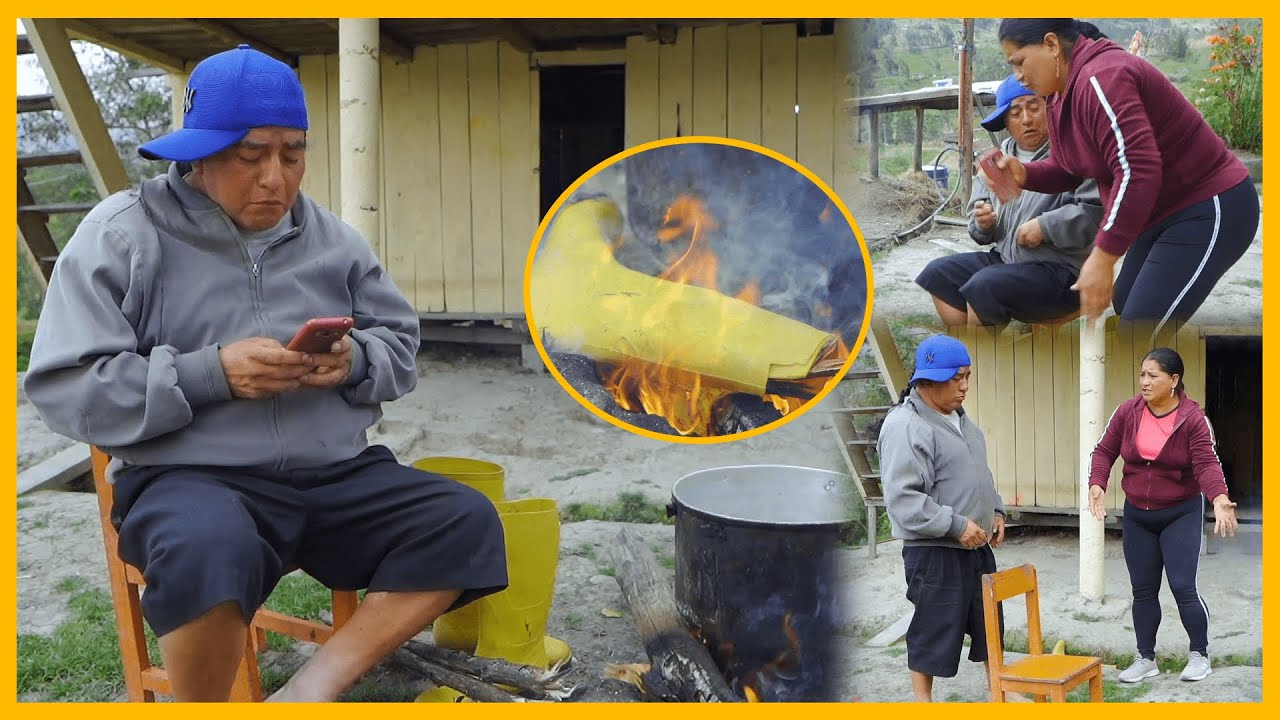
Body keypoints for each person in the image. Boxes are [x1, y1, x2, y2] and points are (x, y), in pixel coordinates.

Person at [22, 45, 507, 702]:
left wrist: (352, 361)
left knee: (465, 520)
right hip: (189, 479)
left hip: (331, 475)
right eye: (250, 157)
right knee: (206, 546)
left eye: (293, 153)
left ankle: (306, 695)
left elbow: (398, 348)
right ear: (198, 154)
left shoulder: (334, 240)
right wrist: (210, 374)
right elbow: (65, 385)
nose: (275, 178)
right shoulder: (123, 235)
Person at [992, 19, 1259, 333]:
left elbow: (1137, 170)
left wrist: (1103, 258)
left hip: (1208, 205)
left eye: (1019, 62)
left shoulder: (1102, 78)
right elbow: (1072, 167)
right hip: (1160, 215)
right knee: (1126, 308)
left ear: (1052, 45)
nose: (1019, 76)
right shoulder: (1060, 95)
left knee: (1139, 332)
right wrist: (1026, 174)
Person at [1088, 347, 1238, 684]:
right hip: (1138, 515)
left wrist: (1219, 497)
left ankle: (1200, 654)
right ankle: (1145, 658)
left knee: (1183, 586)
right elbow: (1104, 450)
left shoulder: (1193, 419)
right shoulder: (1128, 412)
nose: (1144, 381)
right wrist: (1096, 482)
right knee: (1142, 590)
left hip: (1179, 513)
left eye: (1152, 375)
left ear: (1174, 380)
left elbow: (1206, 462)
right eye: (1142, 374)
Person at [878, 335, 1007, 701]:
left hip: (975, 545)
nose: (964, 385)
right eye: (956, 378)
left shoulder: (962, 421)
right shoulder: (907, 425)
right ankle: (924, 704)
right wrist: (955, 524)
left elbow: (980, 474)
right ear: (927, 380)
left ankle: (998, 692)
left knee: (989, 626)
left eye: (968, 375)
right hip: (935, 551)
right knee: (932, 631)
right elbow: (904, 499)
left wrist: (995, 510)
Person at [917, 74, 1102, 326]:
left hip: (1062, 272)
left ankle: (983, 362)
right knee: (938, 275)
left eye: (1034, 107)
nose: (1026, 119)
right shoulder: (995, 162)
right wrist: (983, 224)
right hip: (1007, 259)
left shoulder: (1074, 154)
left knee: (985, 286)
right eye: (1015, 113)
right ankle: (969, 355)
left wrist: (1045, 227)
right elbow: (978, 229)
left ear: (1051, 108)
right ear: (1005, 120)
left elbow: (1095, 212)